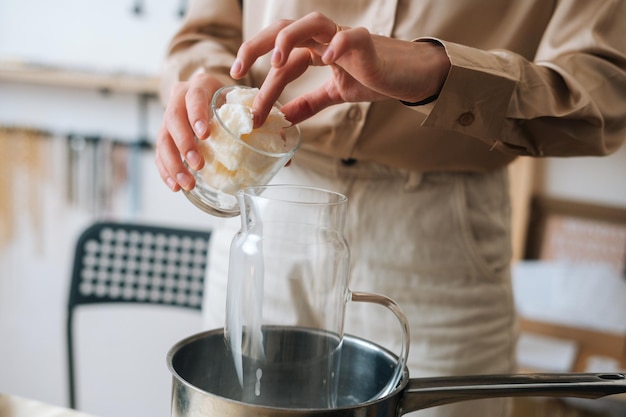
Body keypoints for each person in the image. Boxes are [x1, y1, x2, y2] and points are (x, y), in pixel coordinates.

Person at [155, 1, 626, 416]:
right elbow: (206, 32)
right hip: (269, 203)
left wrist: (442, 73)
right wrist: (206, 82)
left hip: (442, 227)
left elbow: (606, 91)